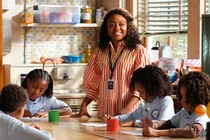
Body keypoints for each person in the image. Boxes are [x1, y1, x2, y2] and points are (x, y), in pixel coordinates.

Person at [77, 8, 151, 119]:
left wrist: (126, 110)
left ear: (129, 27)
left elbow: (143, 87)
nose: (116, 28)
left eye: (121, 24)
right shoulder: (99, 52)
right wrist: (83, 105)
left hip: (129, 115)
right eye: (111, 24)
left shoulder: (139, 51)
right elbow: (94, 85)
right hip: (104, 115)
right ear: (106, 28)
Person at [142, 71, 210, 138]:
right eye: (181, 96)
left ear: (197, 96)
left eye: (185, 96)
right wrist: (155, 125)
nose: (182, 100)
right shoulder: (183, 113)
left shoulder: (203, 114)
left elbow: (193, 131)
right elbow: (168, 123)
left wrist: (158, 133)